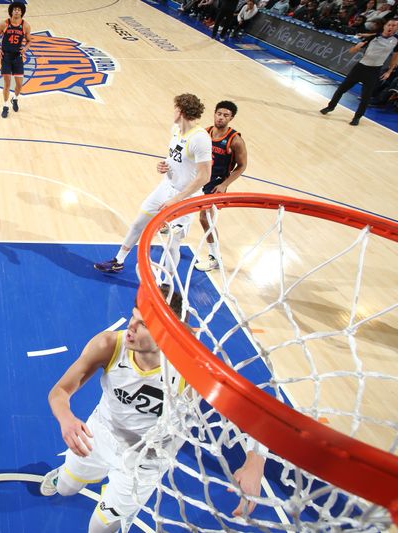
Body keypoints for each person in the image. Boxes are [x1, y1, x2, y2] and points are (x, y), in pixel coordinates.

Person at [39, 286, 266, 533]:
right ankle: (64, 473)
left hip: (147, 460)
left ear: (167, 333)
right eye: (133, 316)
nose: (130, 327)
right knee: (66, 487)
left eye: (143, 324)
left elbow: (258, 415)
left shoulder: (195, 370)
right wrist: (67, 419)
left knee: (100, 529)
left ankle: (118, 509)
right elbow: (59, 392)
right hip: (98, 436)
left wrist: (255, 464)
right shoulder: (109, 344)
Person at [94, 94, 212, 275]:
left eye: (174, 108)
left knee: (173, 243)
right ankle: (118, 260)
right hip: (166, 186)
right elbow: (175, 156)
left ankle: (166, 284)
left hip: (185, 197)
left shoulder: (200, 139)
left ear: (180, 111)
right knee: (138, 222)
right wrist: (163, 165)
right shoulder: (175, 129)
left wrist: (177, 199)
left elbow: (205, 176)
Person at [195, 101, 247, 272]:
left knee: (205, 218)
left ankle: (214, 257)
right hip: (200, 176)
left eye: (226, 115)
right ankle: (175, 226)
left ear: (231, 118)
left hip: (216, 182)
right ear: (214, 113)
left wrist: (225, 184)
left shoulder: (235, 140)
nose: (221, 118)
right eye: (219, 114)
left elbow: (241, 166)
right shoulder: (205, 132)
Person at [320, 18, 398, 125]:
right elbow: (351, 51)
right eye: (389, 24)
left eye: (394, 25)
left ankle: (357, 117)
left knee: (365, 97)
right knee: (342, 89)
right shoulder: (373, 37)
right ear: (385, 26)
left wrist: (389, 71)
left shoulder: (396, 41)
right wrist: (357, 47)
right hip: (360, 67)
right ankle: (330, 107)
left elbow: (395, 58)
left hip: (374, 70)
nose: (391, 27)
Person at [0, 1, 31, 119]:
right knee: (7, 83)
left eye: (19, 9)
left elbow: (29, 41)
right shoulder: (4, 23)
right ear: (11, 11)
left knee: (19, 85)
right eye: (15, 9)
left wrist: (25, 48)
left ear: (22, 12)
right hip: (6, 57)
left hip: (17, 57)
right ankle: (5, 106)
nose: (16, 11)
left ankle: (14, 99)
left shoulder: (25, 25)